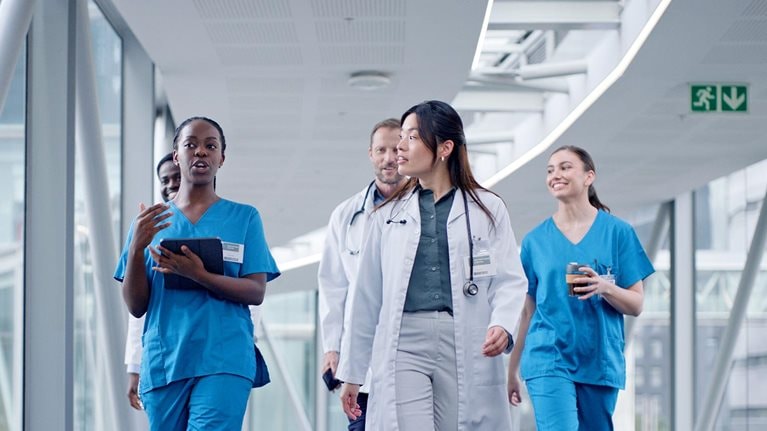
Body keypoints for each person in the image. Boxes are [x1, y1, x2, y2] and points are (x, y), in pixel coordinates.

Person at [336, 100, 527, 430]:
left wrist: (503, 325)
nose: (400, 146)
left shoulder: (487, 209)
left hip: (465, 337)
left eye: (411, 137)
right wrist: (352, 372)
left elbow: (509, 279)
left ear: (444, 148)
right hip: (404, 340)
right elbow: (365, 297)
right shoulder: (387, 216)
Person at [114, 116, 280, 430]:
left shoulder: (244, 218)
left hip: (224, 358)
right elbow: (137, 306)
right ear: (177, 155)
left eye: (210, 146)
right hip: (165, 361)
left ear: (221, 158)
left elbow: (256, 291)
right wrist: (136, 249)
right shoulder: (150, 223)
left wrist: (198, 275)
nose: (200, 152)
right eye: (191, 145)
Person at [507, 145, 654, 431]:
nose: (555, 175)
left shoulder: (618, 233)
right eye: (550, 170)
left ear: (589, 177)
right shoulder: (535, 241)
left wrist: (604, 287)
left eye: (564, 167)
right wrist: (512, 369)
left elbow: (636, 304)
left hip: (598, 360)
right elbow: (527, 312)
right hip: (547, 357)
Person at [318, 118, 406, 430]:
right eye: (381, 150)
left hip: (412, 350)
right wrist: (332, 348)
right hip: (362, 359)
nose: (389, 157)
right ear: (370, 154)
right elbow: (333, 287)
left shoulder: (425, 208)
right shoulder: (346, 215)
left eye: (396, 149)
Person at [125, 152, 181, 410]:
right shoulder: (148, 229)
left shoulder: (229, 219)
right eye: (164, 179)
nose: (170, 185)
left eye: (177, 177)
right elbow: (138, 309)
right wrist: (134, 366)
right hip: (162, 357)